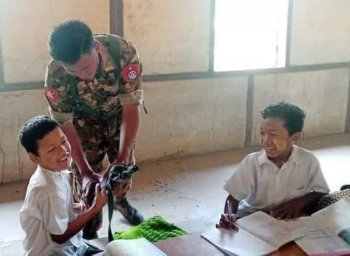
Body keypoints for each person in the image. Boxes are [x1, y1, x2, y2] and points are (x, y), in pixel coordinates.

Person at [44, 20, 145, 239]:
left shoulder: (123, 52)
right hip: (83, 126)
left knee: (123, 170)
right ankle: (90, 221)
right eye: (73, 71)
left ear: (97, 48)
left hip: (119, 118)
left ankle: (121, 202)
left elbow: (130, 107)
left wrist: (120, 158)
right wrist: (87, 171)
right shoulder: (56, 74)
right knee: (87, 181)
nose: (82, 75)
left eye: (87, 67)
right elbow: (65, 125)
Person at [217, 102, 330, 229]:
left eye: (273, 134)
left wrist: (299, 202)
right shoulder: (252, 162)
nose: (265, 140)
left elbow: (321, 191)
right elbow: (232, 198)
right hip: (251, 218)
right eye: (262, 133)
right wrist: (228, 214)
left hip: (287, 220)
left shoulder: (308, 160)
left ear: (295, 137)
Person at [19, 116, 108, 255]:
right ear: (35, 158)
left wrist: (75, 207)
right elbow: (59, 237)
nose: (63, 151)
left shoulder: (55, 171)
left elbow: (57, 207)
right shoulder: (47, 189)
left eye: (64, 141)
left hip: (72, 246)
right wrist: (95, 208)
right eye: (51, 149)